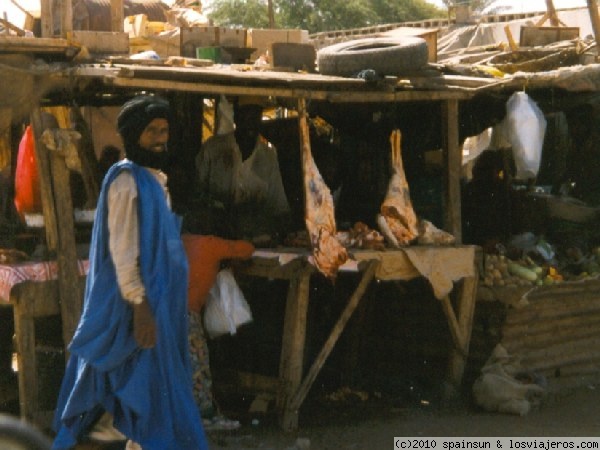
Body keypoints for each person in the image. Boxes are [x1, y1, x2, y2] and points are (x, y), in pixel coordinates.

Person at [52, 95, 209, 450]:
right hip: (133, 308)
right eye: (151, 131)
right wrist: (140, 307)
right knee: (118, 398)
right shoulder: (126, 182)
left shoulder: (154, 179)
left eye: (164, 130)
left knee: (148, 400)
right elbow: (123, 251)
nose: (159, 138)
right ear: (134, 134)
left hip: (158, 305)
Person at [196, 96, 291, 245]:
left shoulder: (268, 156)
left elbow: (279, 207)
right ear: (236, 116)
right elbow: (196, 195)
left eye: (255, 117)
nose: (251, 123)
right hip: (214, 238)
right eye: (246, 116)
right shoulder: (213, 149)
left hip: (254, 242)